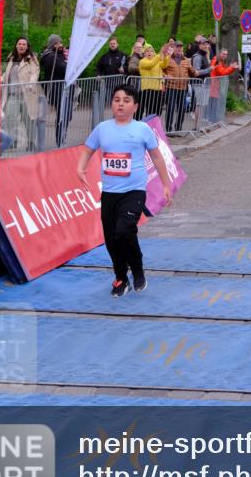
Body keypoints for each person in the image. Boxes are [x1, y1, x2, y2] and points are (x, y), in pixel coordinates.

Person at [77, 84, 172, 297]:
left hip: (134, 191)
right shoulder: (102, 128)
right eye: (117, 99)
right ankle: (121, 278)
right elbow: (88, 149)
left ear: (135, 106)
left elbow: (157, 157)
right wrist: (80, 168)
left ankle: (137, 269)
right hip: (110, 192)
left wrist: (166, 185)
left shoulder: (142, 129)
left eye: (126, 100)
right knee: (112, 239)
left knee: (124, 231)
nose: (120, 103)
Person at [1, 37, 41, 151]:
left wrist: (31, 83)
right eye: (19, 44)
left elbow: (35, 73)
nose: (21, 46)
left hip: (26, 95)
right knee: (10, 118)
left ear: (27, 47)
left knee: (28, 120)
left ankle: (31, 142)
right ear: (16, 45)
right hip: (12, 95)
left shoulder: (31, 59)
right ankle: (12, 141)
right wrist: (0, 79)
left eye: (24, 44)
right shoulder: (11, 58)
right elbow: (6, 74)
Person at [40, 34, 74, 146]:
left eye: (60, 42)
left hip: (65, 89)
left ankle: (62, 136)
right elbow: (64, 68)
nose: (60, 45)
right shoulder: (49, 56)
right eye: (57, 43)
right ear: (52, 44)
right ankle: (59, 140)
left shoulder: (59, 55)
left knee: (67, 114)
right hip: (57, 89)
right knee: (62, 114)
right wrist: (69, 64)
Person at [163, 40, 196, 133]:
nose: (179, 48)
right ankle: (169, 129)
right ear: (173, 48)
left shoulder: (186, 60)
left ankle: (178, 129)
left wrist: (196, 72)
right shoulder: (167, 59)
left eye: (180, 47)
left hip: (183, 88)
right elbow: (160, 69)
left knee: (182, 109)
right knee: (170, 108)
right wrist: (164, 76)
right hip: (171, 88)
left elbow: (192, 72)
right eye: (177, 47)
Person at [138, 43, 171, 120]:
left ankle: (155, 126)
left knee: (158, 111)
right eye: (147, 51)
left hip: (158, 89)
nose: (149, 53)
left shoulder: (156, 61)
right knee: (150, 110)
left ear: (154, 53)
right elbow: (151, 64)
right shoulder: (142, 61)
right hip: (148, 89)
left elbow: (165, 65)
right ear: (144, 53)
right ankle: (148, 126)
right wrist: (160, 53)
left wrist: (165, 55)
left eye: (151, 51)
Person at [208, 47, 240, 122]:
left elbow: (223, 71)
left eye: (226, 54)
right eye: (223, 54)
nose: (224, 56)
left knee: (214, 101)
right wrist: (231, 67)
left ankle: (213, 119)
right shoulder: (217, 61)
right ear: (220, 53)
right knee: (213, 102)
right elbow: (222, 72)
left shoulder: (220, 60)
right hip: (213, 84)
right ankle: (212, 120)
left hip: (215, 83)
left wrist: (231, 68)